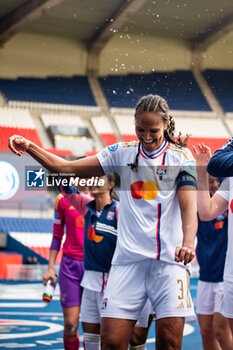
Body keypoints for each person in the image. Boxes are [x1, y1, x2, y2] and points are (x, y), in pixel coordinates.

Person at [8, 94, 197, 350]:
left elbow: (188, 206)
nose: (147, 136)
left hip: (168, 265)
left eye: (153, 130)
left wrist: (187, 242)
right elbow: (66, 168)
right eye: (140, 129)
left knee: (169, 343)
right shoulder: (122, 153)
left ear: (165, 123)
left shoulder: (181, 157)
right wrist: (30, 146)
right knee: (111, 343)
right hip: (126, 264)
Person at [193, 140, 233, 337]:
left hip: (221, 275)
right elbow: (206, 212)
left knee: (220, 331)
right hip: (229, 274)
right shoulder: (230, 180)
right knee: (213, 332)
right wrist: (201, 172)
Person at [43, 193, 85, 350]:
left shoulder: (101, 195)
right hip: (70, 268)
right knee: (70, 324)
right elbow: (56, 235)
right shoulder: (62, 199)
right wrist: (50, 268)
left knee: (94, 328)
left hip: (95, 267)